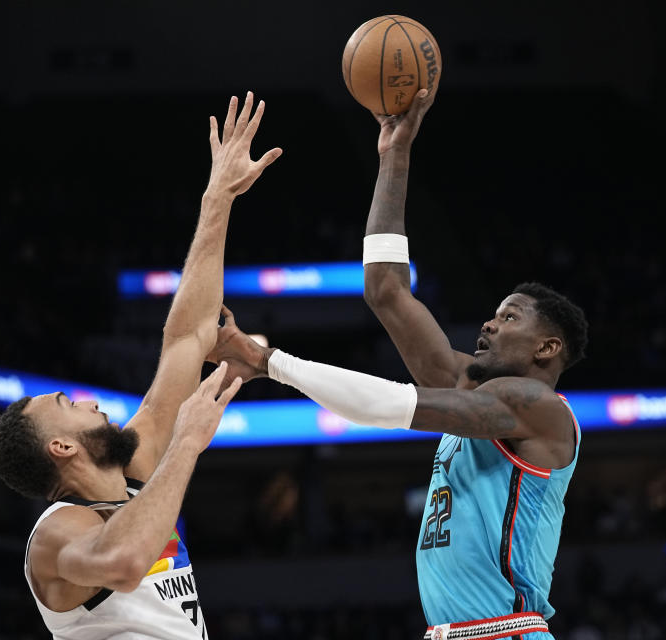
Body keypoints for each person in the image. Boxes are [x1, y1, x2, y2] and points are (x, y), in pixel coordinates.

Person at [209, 89, 588, 640]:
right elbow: (385, 290)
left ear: (547, 349)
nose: (487, 324)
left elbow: (393, 406)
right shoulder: (471, 391)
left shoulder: (536, 407)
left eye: (508, 318)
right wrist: (394, 153)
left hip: (505, 632)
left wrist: (270, 361)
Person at [0, 92, 281, 639]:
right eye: (68, 405)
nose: (90, 401)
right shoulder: (55, 535)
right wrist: (187, 441)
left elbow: (187, 338)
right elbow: (123, 563)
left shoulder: (135, 473)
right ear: (61, 447)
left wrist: (218, 197)